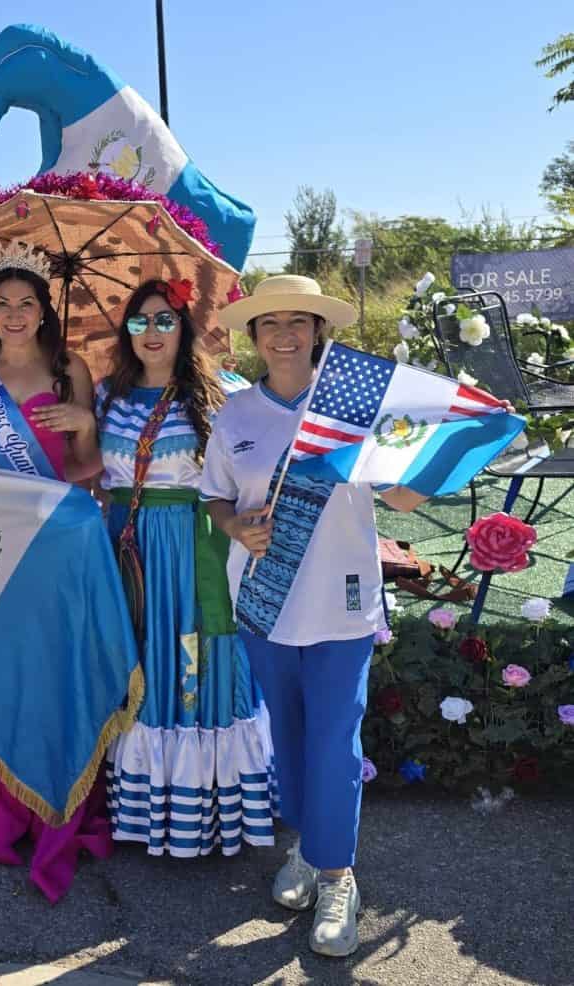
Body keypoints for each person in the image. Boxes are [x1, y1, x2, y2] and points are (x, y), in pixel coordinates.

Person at [200, 275, 427, 958]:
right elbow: (215, 497)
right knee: (288, 736)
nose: (285, 335)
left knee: (334, 740)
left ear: (318, 331)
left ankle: (336, 877)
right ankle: (306, 845)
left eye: (298, 322)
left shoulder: (354, 407)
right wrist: (236, 527)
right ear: (254, 336)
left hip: (341, 603)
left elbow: (406, 497)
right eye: (271, 324)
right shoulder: (235, 415)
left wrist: (457, 444)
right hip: (263, 602)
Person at [0, 241, 109, 903]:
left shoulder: (71, 370)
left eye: (27, 303)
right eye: (3, 304)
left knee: (51, 679)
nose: (15, 314)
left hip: (57, 550)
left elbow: (87, 469)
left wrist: (84, 424)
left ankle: (50, 807)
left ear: (44, 311)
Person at [97, 279, 276, 861]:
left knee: (203, 656)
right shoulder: (106, 397)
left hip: (197, 547)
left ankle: (214, 811)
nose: (151, 332)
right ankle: (147, 808)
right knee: (144, 659)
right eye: (139, 321)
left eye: (164, 320)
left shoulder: (224, 394)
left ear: (184, 328)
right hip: (130, 549)